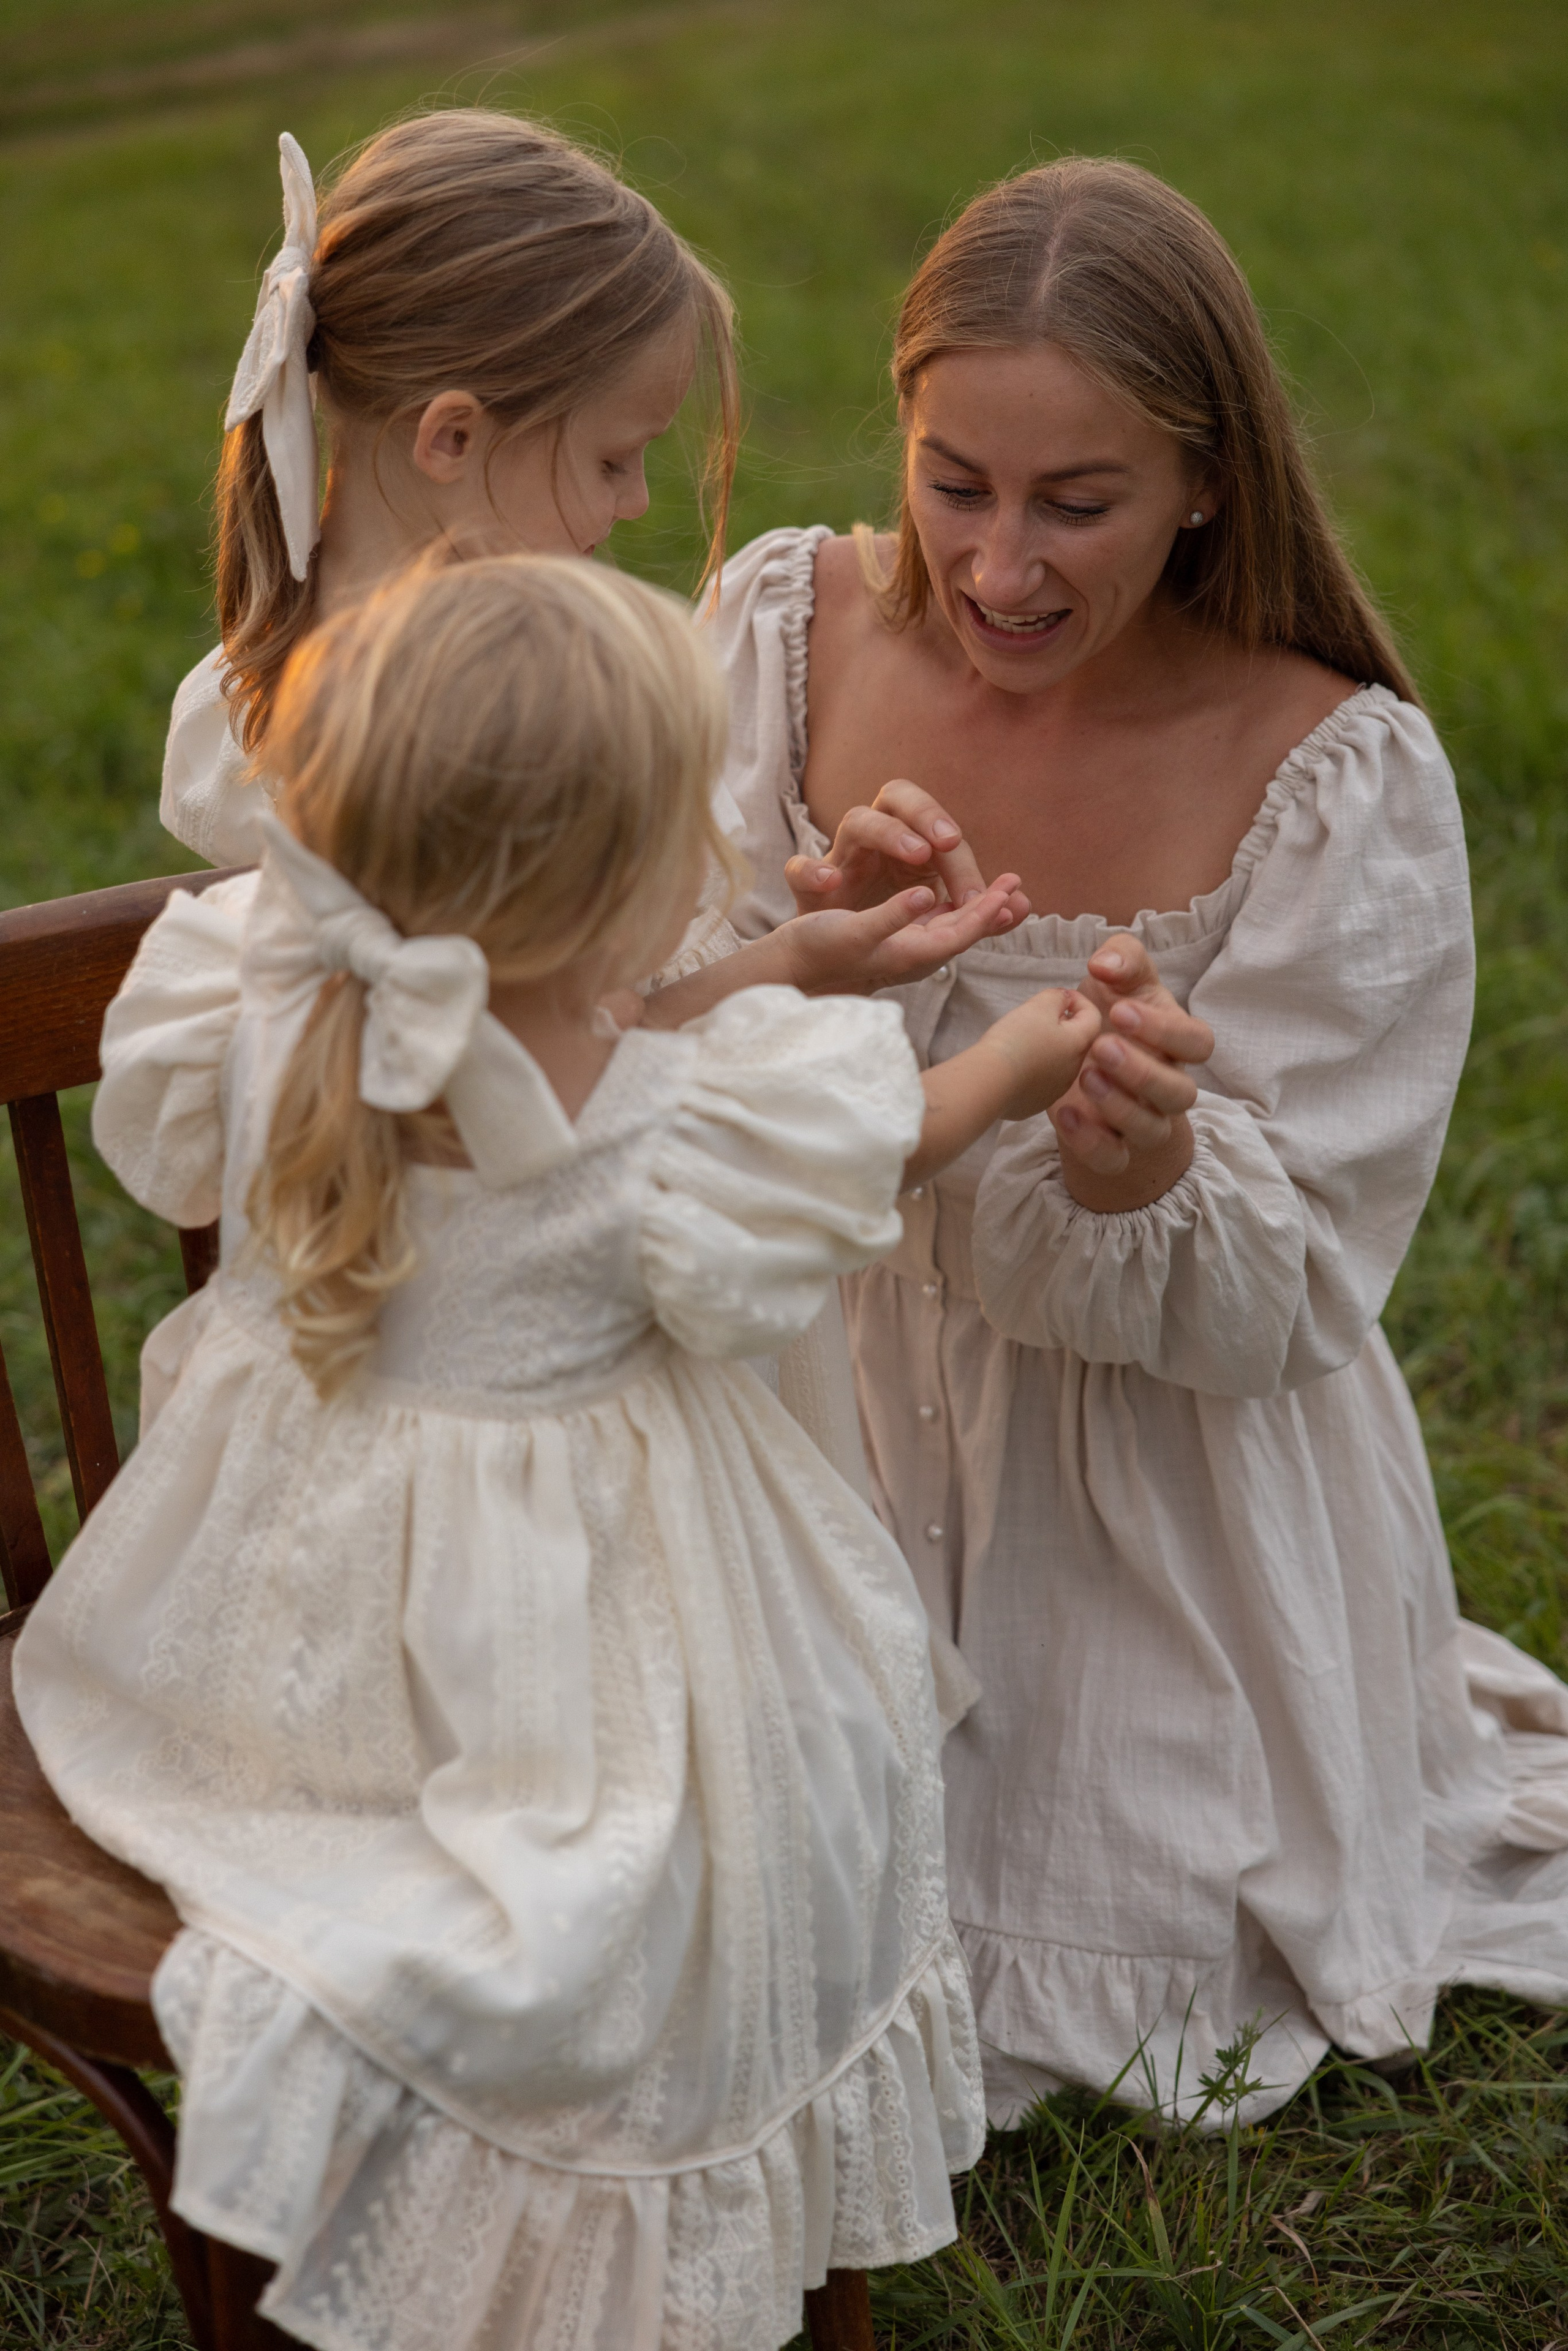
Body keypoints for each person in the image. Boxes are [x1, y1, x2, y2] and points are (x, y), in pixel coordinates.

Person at [17, 555, 1102, 2351]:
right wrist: (1028, 1057)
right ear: (625, 886)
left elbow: (576, 1035)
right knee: (784, 1787)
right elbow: (884, 1139)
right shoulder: (668, 1129)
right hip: (539, 1636)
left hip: (285, 1618)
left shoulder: (296, 997)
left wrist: (784, 958)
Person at [710, 156, 1568, 2126]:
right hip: (803, 1402)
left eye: (1076, 503)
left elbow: (1306, 1280)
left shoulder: (1328, 767)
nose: (1001, 566)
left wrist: (1140, 1178)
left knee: (1111, 1928)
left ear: (1207, 479)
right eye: (957, 481)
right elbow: (651, 1047)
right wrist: (809, 962)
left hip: (1142, 1474)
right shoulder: (781, 631)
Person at [159, 108, 1030, 1506]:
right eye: (617, 456)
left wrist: (790, 957)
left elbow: (535, 1050)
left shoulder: (290, 692)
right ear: (453, 435)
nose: (634, 505)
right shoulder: (475, 742)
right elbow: (561, 1111)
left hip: (401, 1364)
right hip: (537, 1404)